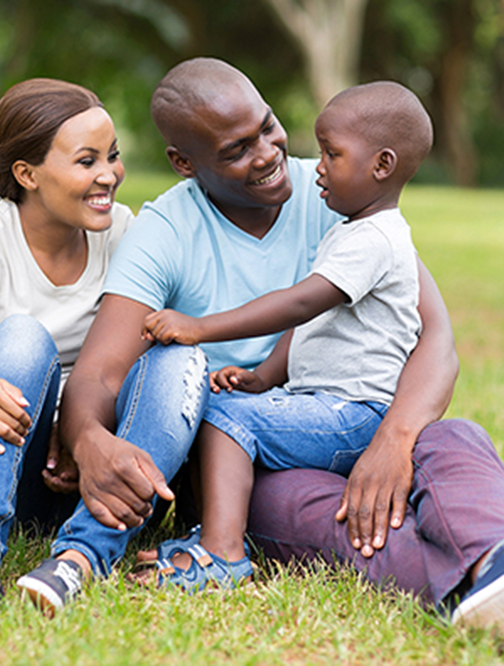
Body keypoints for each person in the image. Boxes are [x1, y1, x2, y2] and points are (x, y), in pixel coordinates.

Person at [58, 57, 504, 650]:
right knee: (351, 522)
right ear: (183, 163)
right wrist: (86, 437)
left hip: (354, 418)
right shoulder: (166, 231)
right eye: (236, 150)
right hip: (253, 470)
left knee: (456, 439)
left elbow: (434, 335)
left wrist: (395, 439)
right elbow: (101, 371)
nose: (269, 153)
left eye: (268, 126)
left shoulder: (336, 192)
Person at [0, 78, 209, 613]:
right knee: (22, 338)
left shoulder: (126, 234)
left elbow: (152, 364)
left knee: (182, 356)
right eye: (86, 161)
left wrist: (85, 437)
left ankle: (78, 561)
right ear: (27, 174)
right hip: (2, 469)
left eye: (113, 156)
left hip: (98, 477)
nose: (109, 175)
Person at [139, 81, 428, 589]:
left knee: (226, 418)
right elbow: (313, 324)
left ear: (381, 166)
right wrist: (263, 376)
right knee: (232, 408)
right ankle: (218, 535)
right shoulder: (351, 230)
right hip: (330, 406)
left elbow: (299, 303)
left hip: (353, 415)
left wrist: (199, 328)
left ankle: (222, 554)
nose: (316, 166)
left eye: (332, 155)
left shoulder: (376, 240)